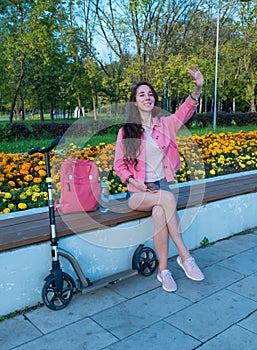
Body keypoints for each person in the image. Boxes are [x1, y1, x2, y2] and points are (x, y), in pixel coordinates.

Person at [114, 65, 205, 292]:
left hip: (161, 190)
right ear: (135, 102)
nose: (147, 97)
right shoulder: (126, 131)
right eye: (142, 94)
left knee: (159, 212)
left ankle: (164, 271)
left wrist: (198, 88)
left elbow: (185, 111)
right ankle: (185, 256)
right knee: (165, 200)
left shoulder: (165, 125)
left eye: (150, 94)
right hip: (137, 192)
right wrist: (132, 181)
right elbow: (118, 165)